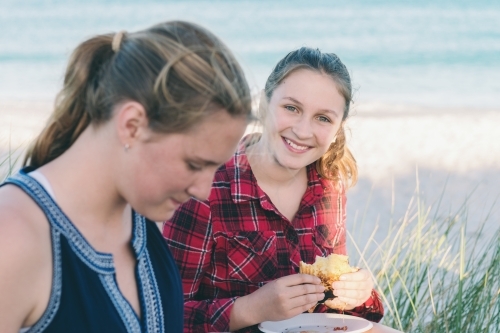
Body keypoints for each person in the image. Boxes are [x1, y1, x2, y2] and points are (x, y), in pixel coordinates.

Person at [0, 21, 252, 333]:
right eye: (193, 163)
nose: (203, 190)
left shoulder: (141, 220)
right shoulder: (12, 236)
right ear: (132, 125)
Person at [163, 47, 385, 333]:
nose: (303, 131)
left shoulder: (330, 182)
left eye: (323, 118)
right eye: (291, 108)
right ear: (264, 105)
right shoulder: (204, 189)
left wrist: (360, 295)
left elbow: (333, 311)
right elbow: (163, 315)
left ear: (337, 130)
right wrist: (252, 308)